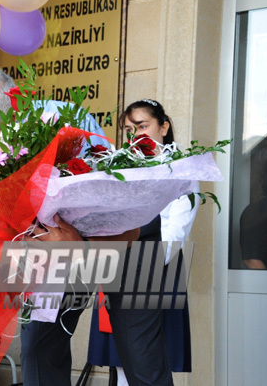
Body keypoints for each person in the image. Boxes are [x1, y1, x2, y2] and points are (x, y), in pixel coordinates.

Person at [0, 65, 137, 386]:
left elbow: (119, 211)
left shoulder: (67, 126)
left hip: (88, 247)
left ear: (9, 118)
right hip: (19, 251)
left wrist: (78, 246)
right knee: (31, 344)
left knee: (46, 345)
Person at [87, 99, 197, 385]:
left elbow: (177, 225)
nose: (135, 135)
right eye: (128, 129)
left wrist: (149, 266)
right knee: (122, 355)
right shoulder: (124, 165)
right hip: (121, 261)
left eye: (142, 126)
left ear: (164, 126)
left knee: (150, 357)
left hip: (157, 264)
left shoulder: (180, 167)